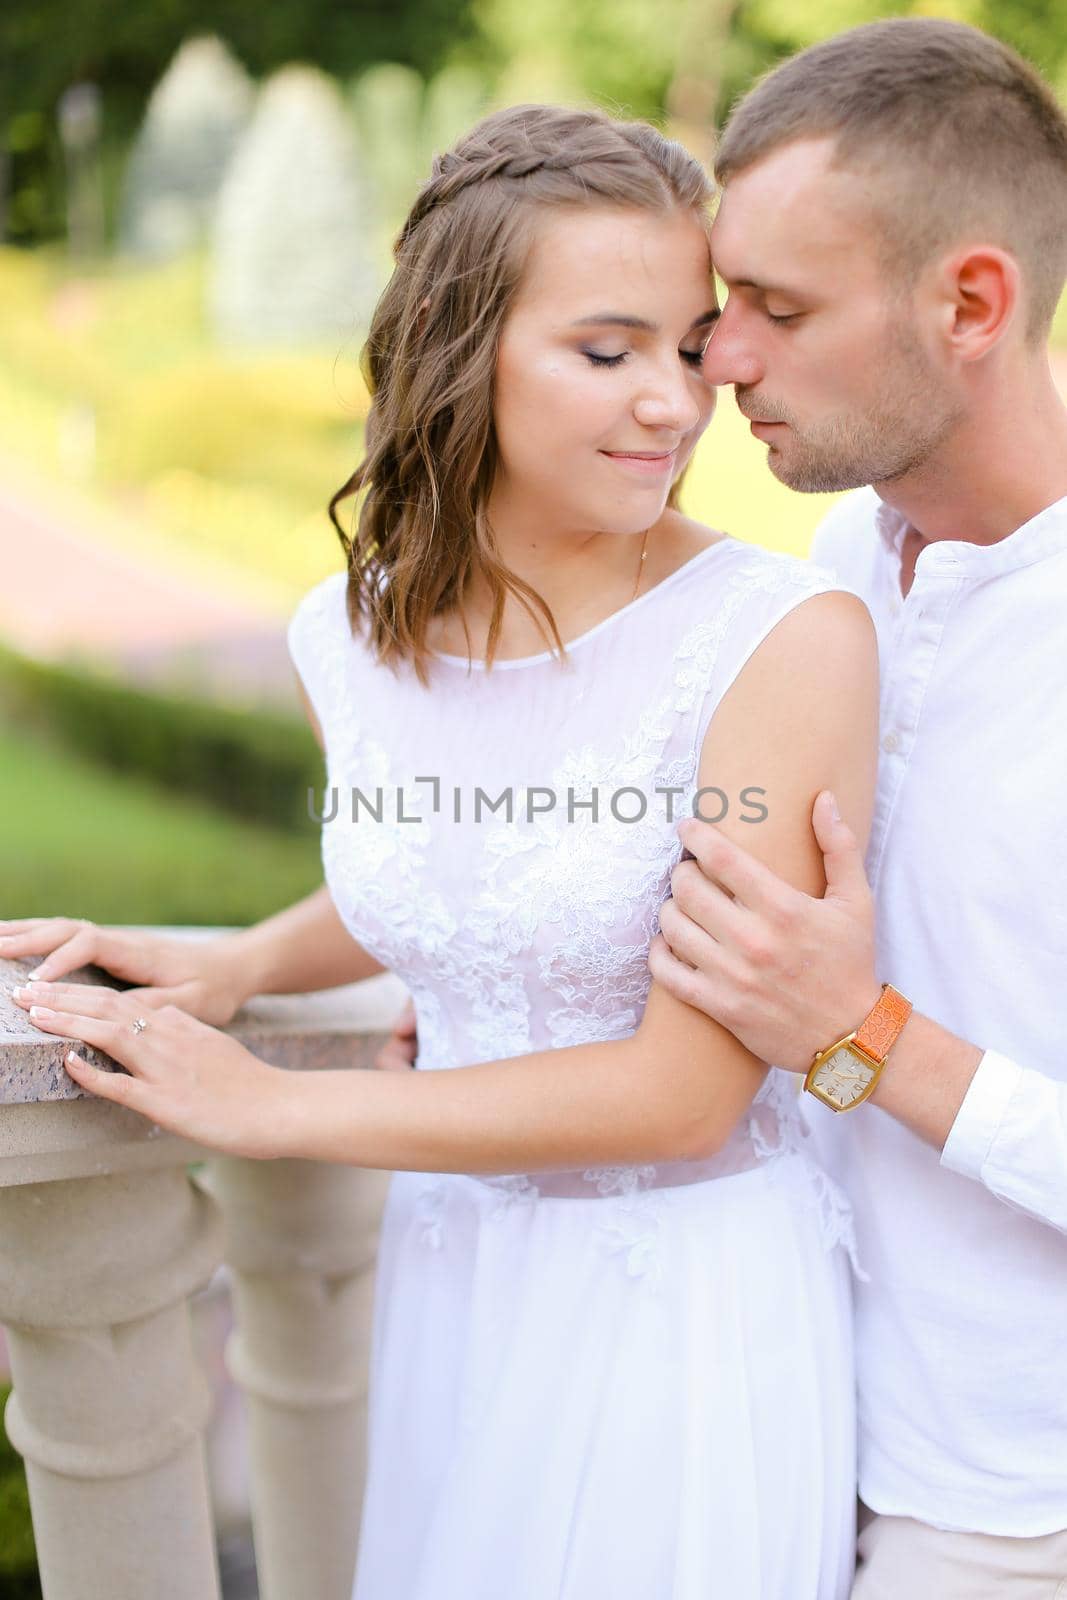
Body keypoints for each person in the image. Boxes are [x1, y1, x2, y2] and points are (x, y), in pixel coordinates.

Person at [0, 105, 878, 1597]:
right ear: (460, 346)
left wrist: (270, 1109)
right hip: (455, 1287)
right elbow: (491, 868)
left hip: (681, 1311)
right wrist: (251, 961)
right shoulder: (346, 635)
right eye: (608, 352)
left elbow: (684, 1095)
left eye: (688, 347)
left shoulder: (781, 643)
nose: (672, 403)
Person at [639, 19, 1067, 1598]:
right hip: (786, 1434)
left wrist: (862, 1032)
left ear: (969, 303)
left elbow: (843, 1016)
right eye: (720, 303)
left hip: (1018, 1510)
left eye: (778, 310)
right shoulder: (828, 589)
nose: (720, 360)